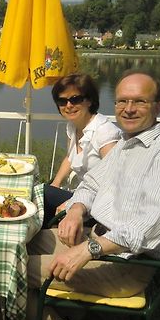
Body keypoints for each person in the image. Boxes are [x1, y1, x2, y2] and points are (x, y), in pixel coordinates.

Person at [25, 71, 160, 320]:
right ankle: (76, 315)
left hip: (127, 265)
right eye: (122, 101)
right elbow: (91, 183)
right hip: (96, 238)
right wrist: (77, 210)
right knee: (22, 242)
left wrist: (87, 250)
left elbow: (148, 230)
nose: (128, 108)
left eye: (139, 101)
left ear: (157, 107)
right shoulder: (126, 145)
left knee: (9, 270)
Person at [44, 73, 121, 225]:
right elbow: (70, 157)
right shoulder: (73, 126)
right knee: (43, 193)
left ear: (89, 101)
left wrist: (74, 205)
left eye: (75, 99)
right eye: (62, 101)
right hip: (82, 196)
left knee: (42, 196)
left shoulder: (104, 132)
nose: (69, 105)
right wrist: (56, 183)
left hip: (98, 210)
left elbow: (114, 182)